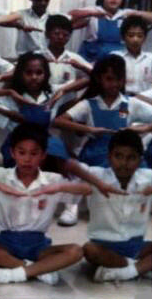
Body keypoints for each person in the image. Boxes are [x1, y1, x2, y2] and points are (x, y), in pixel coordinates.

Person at [0, 123, 90, 285]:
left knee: (75, 251)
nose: (27, 159)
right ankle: (37, 270)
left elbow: (87, 189)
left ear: (43, 155)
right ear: (12, 153)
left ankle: (19, 272)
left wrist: (59, 187)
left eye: (34, 153)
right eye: (21, 152)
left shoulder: (52, 180)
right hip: (6, 244)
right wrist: (0, 186)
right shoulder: (1, 175)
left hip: (39, 246)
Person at [54, 54, 152, 226]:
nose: (114, 84)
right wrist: (90, 130)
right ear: (100, 79)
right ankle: (72, 208)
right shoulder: (89, 104)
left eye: (118, 79)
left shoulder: (130, 103)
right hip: (96, 152)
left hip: (123, 153)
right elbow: (59, 121)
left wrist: (140, 129)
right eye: (109, 79)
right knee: (80, 172)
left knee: (141, 174)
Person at [79, 129, 152, 282]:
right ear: (109, 157)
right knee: (89, 250)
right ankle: (140, 268)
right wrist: (99, 184)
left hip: (137, 246)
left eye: (131, 158)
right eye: (118, 156)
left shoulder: (147, 177)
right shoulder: (97, 175)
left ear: (140, 160)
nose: (124, 163)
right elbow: (69, 165)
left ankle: (125, 272)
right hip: (104, 246)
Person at [71, 0, 152, 63]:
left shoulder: (125, 13)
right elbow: (68, 17)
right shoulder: (94, 11)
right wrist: (91, 13)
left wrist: (136, 13)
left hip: (117, 62)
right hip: (91, 60)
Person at [37, 14, 91, 109]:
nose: (61, 37)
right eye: (56, 34)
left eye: (65, 35)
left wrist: (81, 67)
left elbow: (97, 74)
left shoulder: (74, 58)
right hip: (41, 102)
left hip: (67, 104)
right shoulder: (36, 56)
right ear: (47, 34)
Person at [110, 15, 152, 95]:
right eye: (131, 35)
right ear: (123, 37)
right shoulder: (115, 57)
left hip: (147, 100)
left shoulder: (150, 59)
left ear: (145, 38)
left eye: (140, 36)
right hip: (122, 99)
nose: (135, 40)